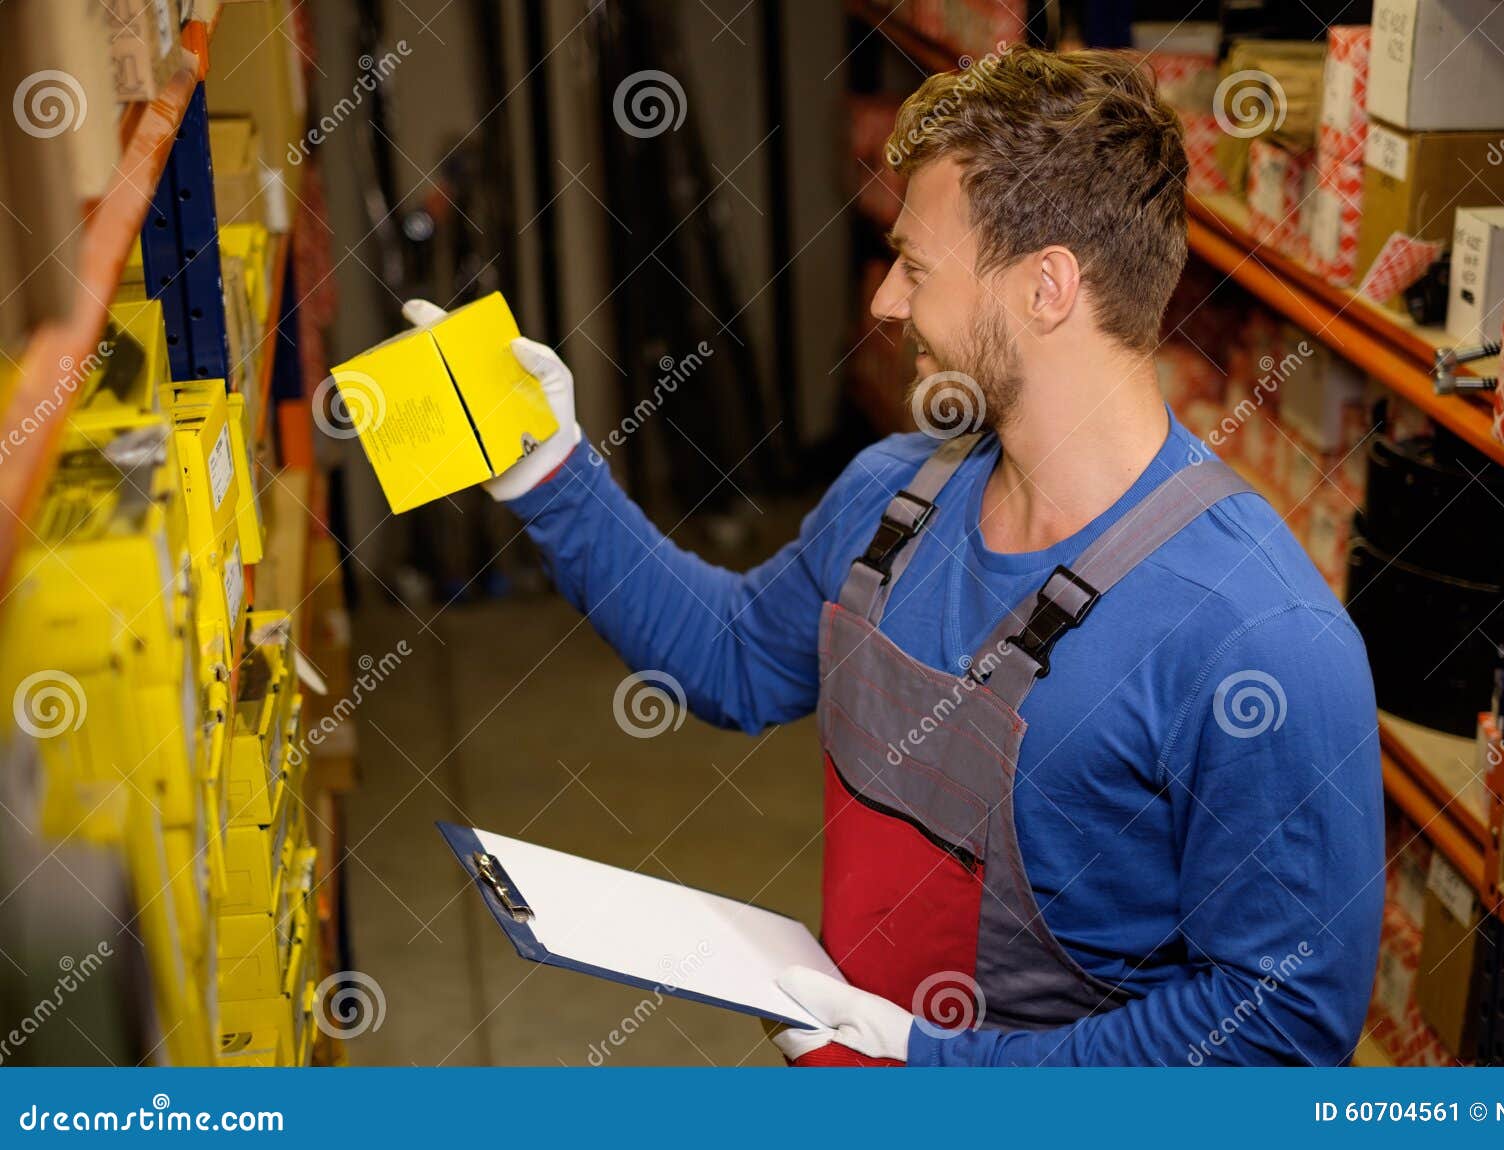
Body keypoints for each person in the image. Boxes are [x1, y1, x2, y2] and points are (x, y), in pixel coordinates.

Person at [402, 47, 1383, 1067]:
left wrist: (935, 1070)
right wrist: (551, 473)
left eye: (914, 267)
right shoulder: (896, 498)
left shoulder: (1256, 636)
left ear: (1045, 287)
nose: (882, 303)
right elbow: (732, 655)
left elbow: (1276, 1029)